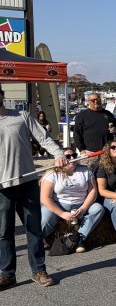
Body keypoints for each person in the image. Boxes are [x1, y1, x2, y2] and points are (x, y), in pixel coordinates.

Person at [0, 86, 66, 289]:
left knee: (34, 229)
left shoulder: (21, 116)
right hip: (3, 187)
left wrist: (59, 154)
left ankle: (39, 270)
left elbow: (44, 138)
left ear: (1, 96)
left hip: (27, 183)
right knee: (4, 232)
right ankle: (7, 273)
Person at [40, 147, 105, 253]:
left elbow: (93, 192)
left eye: (74, 156)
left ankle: (79, 238)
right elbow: (45, 198)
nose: (72, 158)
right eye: (68, 157)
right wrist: (62, 214)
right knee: (45, 219)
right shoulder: (52, 174)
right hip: (59, 205)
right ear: (61, 158)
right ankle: (38, 240)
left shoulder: (85, 171)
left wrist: (83, 209)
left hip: (81, 204)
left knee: (98, 209)